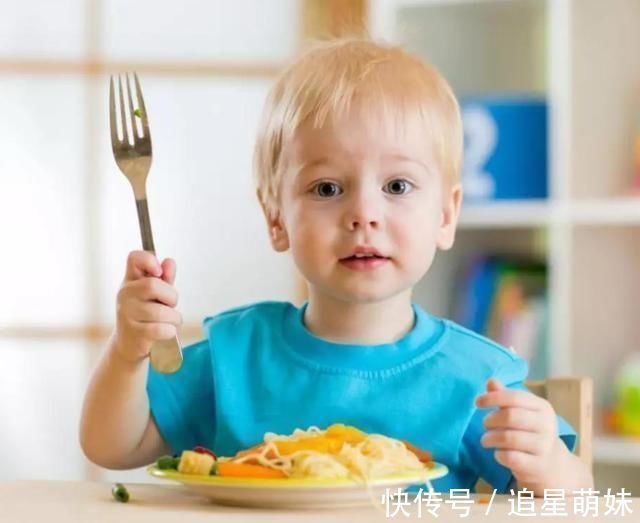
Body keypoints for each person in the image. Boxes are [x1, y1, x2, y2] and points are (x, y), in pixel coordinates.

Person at [80, 38, 593, 494]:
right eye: (327, 188)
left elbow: (580, 496)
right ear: (276, 217)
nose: (364, 214)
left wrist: (550, 464)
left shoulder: (477, 379)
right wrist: (129, 352)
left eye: (397, 187)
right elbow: (112, 447)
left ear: (445, 214)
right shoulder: (235, 355)